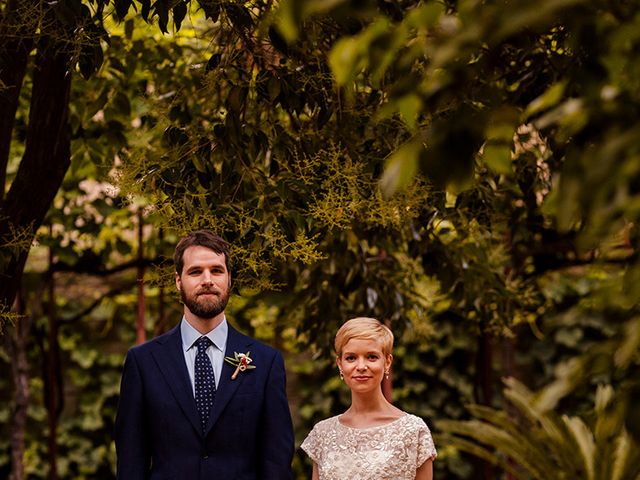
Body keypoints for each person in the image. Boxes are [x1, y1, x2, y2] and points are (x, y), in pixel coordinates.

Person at [115, 230, 294, 479]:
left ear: (229, 279)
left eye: (217, 270)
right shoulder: (143, 362)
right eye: (196, 271)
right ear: (178, 280)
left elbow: (276, 460)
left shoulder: (266, 362)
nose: (207, 279)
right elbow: (131, 460)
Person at [301, 317, 436, 480]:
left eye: (371, 356)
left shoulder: (414, 431)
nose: (361, 366)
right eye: (351, 358)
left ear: (387, 362)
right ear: (340, 364)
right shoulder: (322, 434)